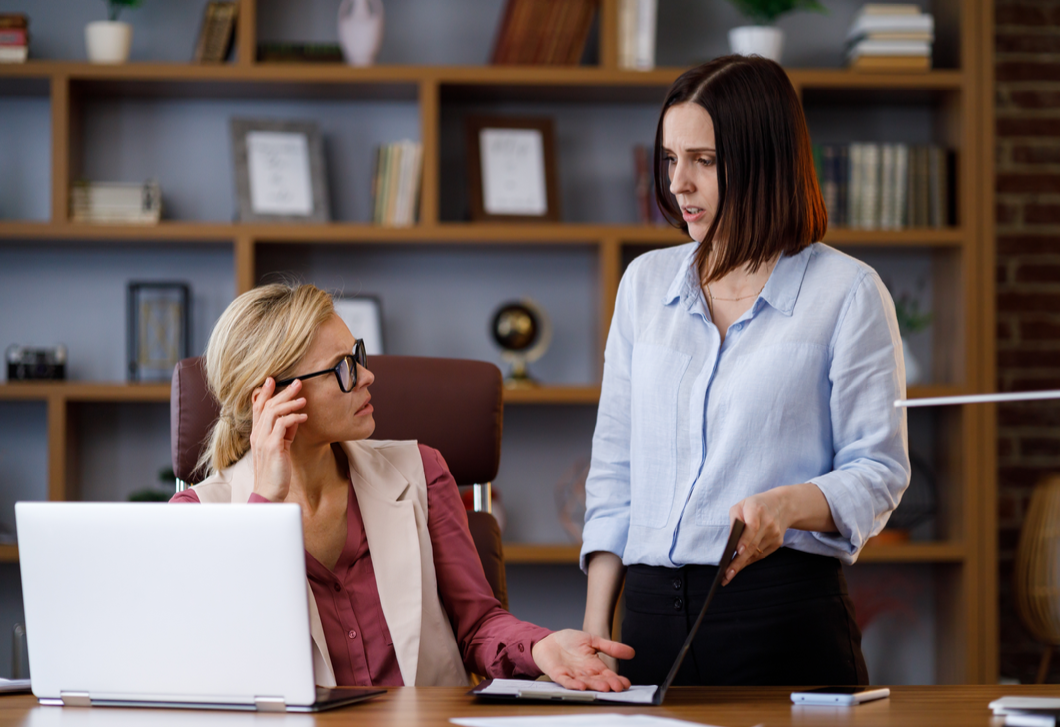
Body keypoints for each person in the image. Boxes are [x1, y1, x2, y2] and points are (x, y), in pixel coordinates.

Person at [580, 55, 911, 686]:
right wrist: (597, 629)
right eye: (670, 159)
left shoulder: (847, 292)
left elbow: (879, 471)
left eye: (703, 160)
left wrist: (787, 505)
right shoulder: (643, 284)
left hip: (781, 617)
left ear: (764, 161)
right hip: (645, 623)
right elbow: (615, 467)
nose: (678, 184)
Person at [172, 282, 633, 690]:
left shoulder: (421, 471)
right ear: (273, 398)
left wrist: (540, 648)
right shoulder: (197, 517)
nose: (367, 376)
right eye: (343, 368)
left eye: (358, 356)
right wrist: (265, 505)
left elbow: (477, 626)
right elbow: (221, 664)